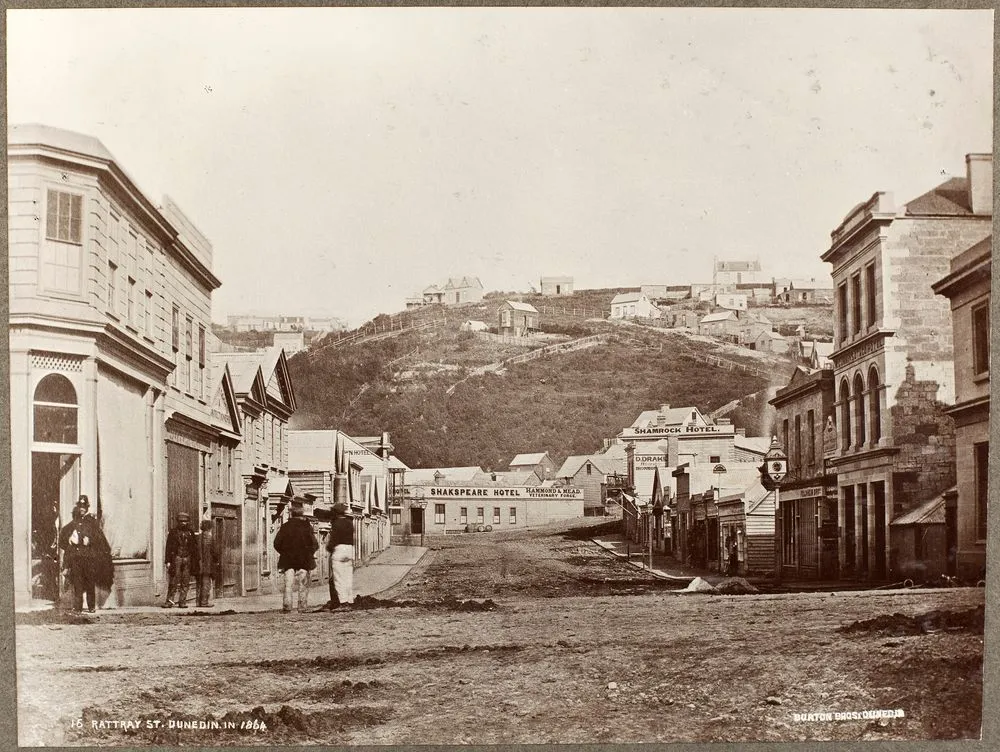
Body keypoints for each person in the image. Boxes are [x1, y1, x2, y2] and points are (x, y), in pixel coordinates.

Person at [58, 496, 113, 613]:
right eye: (80, 507)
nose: (81, 509)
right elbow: (64, 534)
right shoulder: (75, 521)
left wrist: (90, 540)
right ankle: (78, 608)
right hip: (77, 558)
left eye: (84, 507)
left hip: (89, 558)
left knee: (89, 582)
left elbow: (100, 539)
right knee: (77, 583)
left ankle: (91, 607)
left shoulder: (92, 521)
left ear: (87, 507)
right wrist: (68, 540)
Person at [273, 498, 319, 613]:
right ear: (302, 514)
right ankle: (302, 606)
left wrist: (284, 553)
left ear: (291, 514)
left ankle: (287, 606)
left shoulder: (285, 526)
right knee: (303, 583)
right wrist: (309, 553)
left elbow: (276, 543)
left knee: (288, 584)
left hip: (288, 560)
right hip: (304, 560)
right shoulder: (307, 527)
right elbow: (315, 544)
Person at [163, 512, 199, 608]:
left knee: (185, 581)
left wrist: (195, 561)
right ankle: (169, 601)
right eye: (181, 521)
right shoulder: (173, 532)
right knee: (173, 580)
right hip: (176, 558)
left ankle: (182, 602)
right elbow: (168, 547)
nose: (183, 523)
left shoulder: (191, 533)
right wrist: (168, 561)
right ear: (178, 522)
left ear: (188, 522)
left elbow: (195, 548)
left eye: (185, 521)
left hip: (188, 559)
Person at [325, 503, 355, 609]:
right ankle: (350, 600)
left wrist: (329, 547)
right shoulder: (349, 523)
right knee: (348, 577)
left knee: (339, 577)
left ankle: (343, 602)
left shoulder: (336, 523)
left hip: (339, 550)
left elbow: (334, 539)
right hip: (350, 549)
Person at [195, 519, 221, 608]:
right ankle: (204, 602)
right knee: (206, 583)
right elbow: (215, 552)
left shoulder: (198, 537)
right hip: (208, 564)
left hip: (198, 564)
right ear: (210, 528)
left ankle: (198, 602)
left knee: (199, 583)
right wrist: (217, 561)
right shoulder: (211, 538)